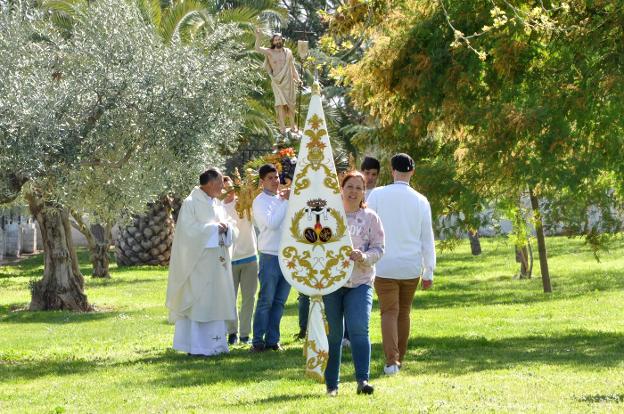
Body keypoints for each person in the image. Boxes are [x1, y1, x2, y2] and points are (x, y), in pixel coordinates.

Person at [367, 153, 436, 375]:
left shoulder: (377, 195)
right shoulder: (421, 200)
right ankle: (400, 358)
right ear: (412, 172)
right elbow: (427, 238)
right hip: (410, 266)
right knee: (404, 312)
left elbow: (367, 226)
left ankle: (391, 360)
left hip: (384, 263)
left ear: (391, 169)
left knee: (389, 311)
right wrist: (429, 271)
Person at [324, 171, 385, 397]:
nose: (354, 192)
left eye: (359, 188)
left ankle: (362, 380)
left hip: (360, 281)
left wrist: (365, 257)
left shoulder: (371, 218)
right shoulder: (329, 215)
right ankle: (332, 385)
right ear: (342, 188)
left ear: (364, 192)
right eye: (350, 186)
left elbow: (379, 248)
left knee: (359, 329)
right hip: (331, 282)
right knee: (334, 334)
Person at [165, 168, 237, 357]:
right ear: (211, 183)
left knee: (216, 300)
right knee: (200, 303)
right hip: (199, 265)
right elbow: (188, 232)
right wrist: (213, 229)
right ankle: (197, 347)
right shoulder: (191, 203)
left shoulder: (217, 203)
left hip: (218, 263)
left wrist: (227, 228)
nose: (223, 186)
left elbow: (229, 223)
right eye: (221, 182)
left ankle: (216, 345)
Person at [250, 164, 291, 352]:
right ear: (262, 182)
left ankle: (273, 340)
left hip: (287, 256)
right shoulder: (260, 202)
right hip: (269, 255)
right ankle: (258, 341)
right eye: (271, 178)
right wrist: (285, 202)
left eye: (277, 177)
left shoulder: (282, 199)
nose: (276, 181)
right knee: (266, 299)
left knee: (280, 301)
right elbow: (272, 224)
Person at [223, 176, 259, 346]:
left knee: (249, 298)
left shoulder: (245, 203)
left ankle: (245, 334)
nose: (227, 191)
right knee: (230, 298)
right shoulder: (218, 208)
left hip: (250, 257)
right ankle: (231, 332)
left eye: (229, 186)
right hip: (229, 259)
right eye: (223, 187)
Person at [254, 28, 302, 135]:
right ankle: (282, 128)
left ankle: (293, 126)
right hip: (277, 82)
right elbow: (257, 48)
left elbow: (292, 67)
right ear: (273, 42)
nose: (278, 41)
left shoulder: (288, 52)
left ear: (282, 40)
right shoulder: (270, 52)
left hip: (289, 82)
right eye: (276, 40)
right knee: (280, 104)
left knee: (291, 105)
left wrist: (297, 79)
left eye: (279, 39)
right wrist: (258, 37)